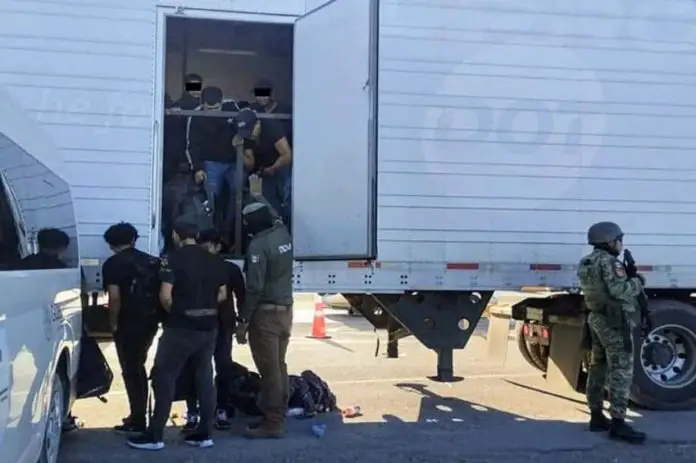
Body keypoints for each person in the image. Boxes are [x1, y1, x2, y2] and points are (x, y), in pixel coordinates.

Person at [127, 220, 228, 451]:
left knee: (165, 377)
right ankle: (205, 433)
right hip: (209, 327)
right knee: (204, 377)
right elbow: (222, 295)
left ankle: (155, 435)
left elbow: (165, 296)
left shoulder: (172, 259)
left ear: (175, 235)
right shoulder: (216, 261)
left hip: (180, 328)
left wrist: (180, 313)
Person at [577, 221, 647, 444]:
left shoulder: (586, 261)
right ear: (609, 241)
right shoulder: (610, 263)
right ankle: (618, 422)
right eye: (618, 239)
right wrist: (637, 281)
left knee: (597, 367)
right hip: (614, 321)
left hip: (596, 318)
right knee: (621, 369)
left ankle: (596, 416)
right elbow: (620, 291)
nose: (620, 243)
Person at [234, 201, 294, 438]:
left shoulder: (258, 246)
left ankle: (273, 423)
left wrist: (243, 321)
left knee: (269, 371)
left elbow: (255, 288)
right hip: (285, 311)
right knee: (279, 365)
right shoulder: (283, 233)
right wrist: (259, 196)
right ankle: (278, 412)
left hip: (266, 315)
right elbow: (274, 215)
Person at [182, 230, 246, 432]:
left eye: (208, 245)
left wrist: (242, 322)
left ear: (218, 246)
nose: (204, 250)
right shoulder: (191, 267)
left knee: (223, 367)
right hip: (197, 324)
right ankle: (193, 412)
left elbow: (242, 296)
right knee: (194, 368)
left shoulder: (229, 269)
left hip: (221, 324)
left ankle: (221, 409)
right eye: (201, 246)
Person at [101, 222, 161, 435]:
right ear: (134, 240)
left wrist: (113, 322)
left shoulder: (112, 264)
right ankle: (141, 414)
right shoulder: (153, 261)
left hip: (128, 322)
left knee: (131, 369)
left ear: (110, 244)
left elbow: (114, 298)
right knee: (138, 365)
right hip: (151, 320)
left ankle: (137, 418)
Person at [189, 86, 239, 236]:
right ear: (202, 103)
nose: (212, 112)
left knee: (238, 196)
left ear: (222, 102)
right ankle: (209, 237)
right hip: (210, 164)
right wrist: (197, 168)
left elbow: (247, 122)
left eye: (216, 108)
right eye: (208, 108)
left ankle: (229, 235)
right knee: (210, 201)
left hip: (234, 162)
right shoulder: (196, 116)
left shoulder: (232, 107)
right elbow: (191, 145)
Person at [234, 108, 292, 224]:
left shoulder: (272, 127)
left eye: (250, 131)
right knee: (267, 199)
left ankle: (289, 228)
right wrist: (238, 150)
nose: (249, 135)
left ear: (258, 124)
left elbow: (287, 155)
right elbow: (250, 165)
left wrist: (273, 168)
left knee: (287, 197)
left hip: (281, 163)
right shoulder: (244, 135)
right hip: (263, 169)